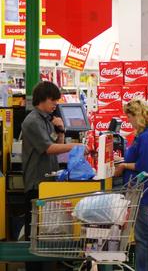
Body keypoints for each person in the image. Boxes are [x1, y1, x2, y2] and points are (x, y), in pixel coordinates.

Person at [21, 81, 86, 271]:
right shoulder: (33, 121)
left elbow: (57, 145)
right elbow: (48, 148)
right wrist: (76, 146)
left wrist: (61, 131)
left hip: (48, 184)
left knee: (48, 234)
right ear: (42, 99)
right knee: (35, 235)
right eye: (53, 100)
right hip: (36, 185)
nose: (55, 103)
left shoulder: (46, 119)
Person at [114, 99, 148, 271]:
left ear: (139, 116)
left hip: (144, 192)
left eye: (130, 116)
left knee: (143, 236)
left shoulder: (147, 137)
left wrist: (124, 165)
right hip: (140, 191)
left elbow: (144, 167)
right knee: (145, 235)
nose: (128, 121)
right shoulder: (142, 135)